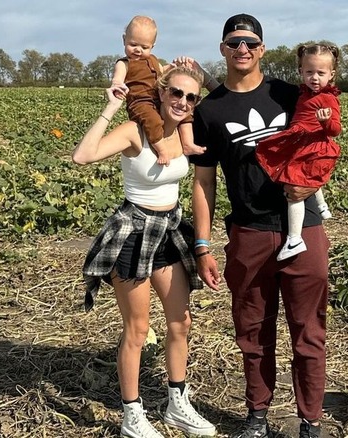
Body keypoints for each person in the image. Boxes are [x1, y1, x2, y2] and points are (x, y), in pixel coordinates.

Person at [189, 13, 330, 438]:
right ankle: (258, 416)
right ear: (223, 49)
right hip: (248, 232)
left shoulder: (290, 94)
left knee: (309, 331)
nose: (242, 49)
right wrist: (202, 243)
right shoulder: (210, 109)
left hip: (303, 229)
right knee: (252, 331)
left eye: (250, 42)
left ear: (262, 49)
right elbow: (204, 181)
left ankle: (310, 421)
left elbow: (325, 140)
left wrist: (317, 181)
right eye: (234, 43)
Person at [72, 65, 217, 438]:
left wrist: (201, 72)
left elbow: (226, 102)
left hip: (168, 232)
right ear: (161, 93)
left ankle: (176, 403)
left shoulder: (185, 134)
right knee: (137, 329)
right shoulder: (135, 132)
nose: (182, 102)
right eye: (176, 94)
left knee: (180, 322)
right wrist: (110, 107)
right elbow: (83, 156)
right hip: (134, 232)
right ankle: (131, 414)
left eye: (190, 97)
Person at [255, 42, 341, 261]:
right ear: (301, 71)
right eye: (309, 72)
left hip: (313, 146)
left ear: (331, 75)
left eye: (320, 73)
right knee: (307, 178)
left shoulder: (328, 98)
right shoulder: (303, 93)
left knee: (295, 189)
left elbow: (336, 130)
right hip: (301, 143)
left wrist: (325, 122)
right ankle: (322, 206)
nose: (314, 77)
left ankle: (294, 239)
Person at [111, 15, 207, 166]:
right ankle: (162, 150)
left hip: (156, 96)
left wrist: (173, 67)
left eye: (144, 47)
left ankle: (188, 143)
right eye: (133, 44)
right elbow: (118, 78)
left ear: (152, 46)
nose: (138, 50)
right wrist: (117, 85)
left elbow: (162, 70)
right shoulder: (125, 63)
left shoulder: (153, 60)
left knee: (186, 115)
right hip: (140, 102)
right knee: (153, 121)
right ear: (124, 40)